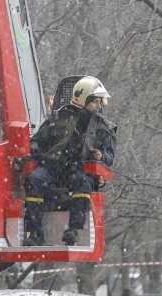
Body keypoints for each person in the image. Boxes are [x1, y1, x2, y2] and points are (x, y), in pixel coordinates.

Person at [24, 76, 117, 246]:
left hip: (79, 169)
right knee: (35, 180)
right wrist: (36, 150)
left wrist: (100, 157)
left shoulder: (104, 127)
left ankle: (73, 230)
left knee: (82, 183)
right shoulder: (58, 118)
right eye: (96, 101)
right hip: (52, 167)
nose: (99, 105)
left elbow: (109, 157)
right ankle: (35, 233)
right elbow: (37, 141)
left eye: (100, 102)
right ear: (84, 100)